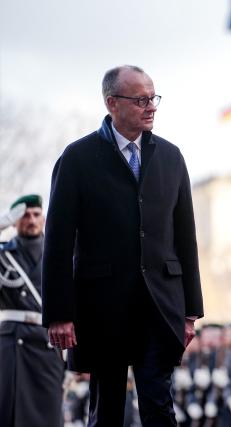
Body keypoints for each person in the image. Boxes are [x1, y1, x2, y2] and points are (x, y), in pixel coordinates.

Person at [41, 65, 204, 426]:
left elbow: (185, 239)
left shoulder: (171, 157)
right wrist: (59, 313)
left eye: (153, 98)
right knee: (107, 410)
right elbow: (57, 242)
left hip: (159, 303)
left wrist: (190, 311)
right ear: (112, 103)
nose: (151, 107)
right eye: (141, 99)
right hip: (101, 307)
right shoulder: (77, 158)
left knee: (159, 405)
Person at [0, 194, 65, 427]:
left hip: (47, 345)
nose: (31, 219)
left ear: (44, 218)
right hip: (10, 347)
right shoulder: (4, 255)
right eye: (24, 215)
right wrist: (1, 223)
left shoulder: (59, 253)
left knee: (46, 416)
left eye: (36, 214)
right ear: (15, 221)